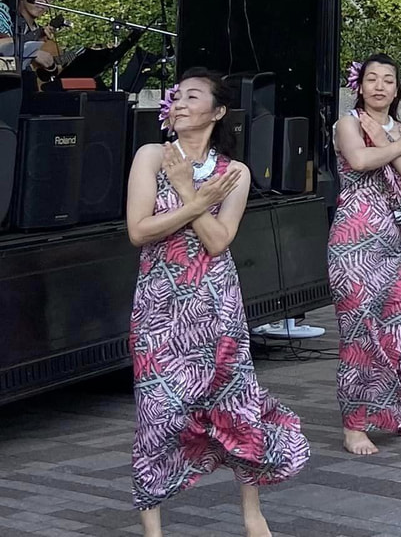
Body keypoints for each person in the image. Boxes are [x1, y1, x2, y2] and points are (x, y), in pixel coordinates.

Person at [125, 68, 308, 537]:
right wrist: (193, 201)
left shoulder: (236, 173)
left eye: (192, 96)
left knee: (235, 405)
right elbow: (139, 230)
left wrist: (188, 192)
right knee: (158, 412)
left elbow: (219, 241)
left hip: (216, 306)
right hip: (160, 306)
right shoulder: (151, 155)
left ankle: (252, 516)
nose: (180, 103)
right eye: (177, 96)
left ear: (218, 111)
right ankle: (153, 529)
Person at [328, 54, 401, 456]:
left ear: (397, 88)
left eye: (388, 80)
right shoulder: (348, 123)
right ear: (360, 85)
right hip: (353, 240)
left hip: (390, 245)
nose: (380, 86)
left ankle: (392, 408)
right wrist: (399, 148)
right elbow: (360, 159)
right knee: (359, 332)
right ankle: (354, 426)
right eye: (372, 79)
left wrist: (394, 142)